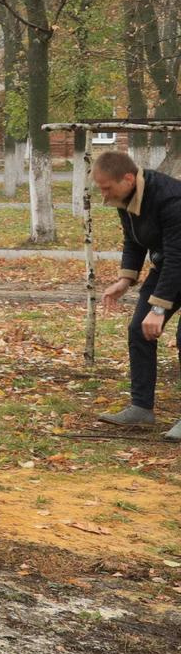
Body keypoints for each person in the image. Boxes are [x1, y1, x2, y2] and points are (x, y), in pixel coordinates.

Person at [93, 148, 181, 440]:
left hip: (178, 261)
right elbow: (133, 240)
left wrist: (159, 309)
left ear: (128, 178)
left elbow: (178, 256)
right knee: (138, 329)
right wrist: (124, 279)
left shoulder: (170, 198)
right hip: (168, 264)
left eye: (106, 188)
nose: (104, 196)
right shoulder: (125, 197)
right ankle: (141, 408)